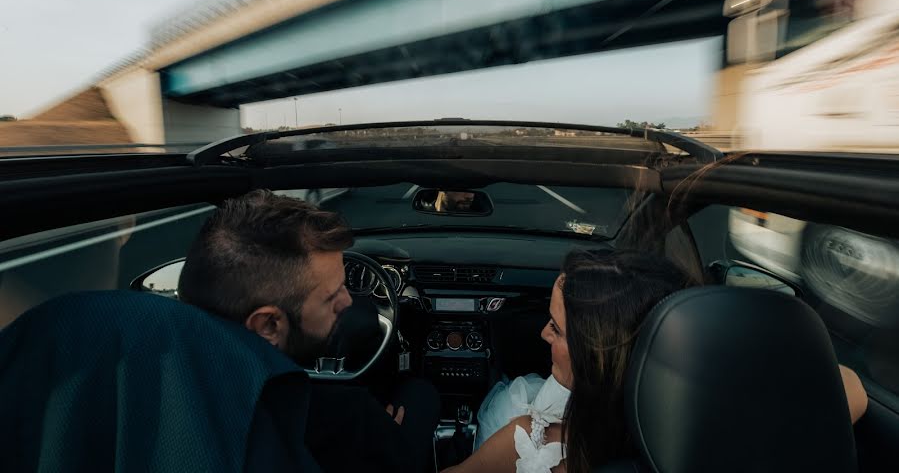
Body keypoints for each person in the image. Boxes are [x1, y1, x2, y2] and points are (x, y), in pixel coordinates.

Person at [444, 249, 869, 473]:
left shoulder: (531, 443)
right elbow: (850, 387)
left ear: (597, 359)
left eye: (556, 328)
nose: (543, 334)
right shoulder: (726, 441)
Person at [177, 189, 439, 473]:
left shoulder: (149, 381)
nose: (348, 301)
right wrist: (381, 437)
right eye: (332, 295)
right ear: (268, 325)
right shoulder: (348, 421)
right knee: (420, 394)